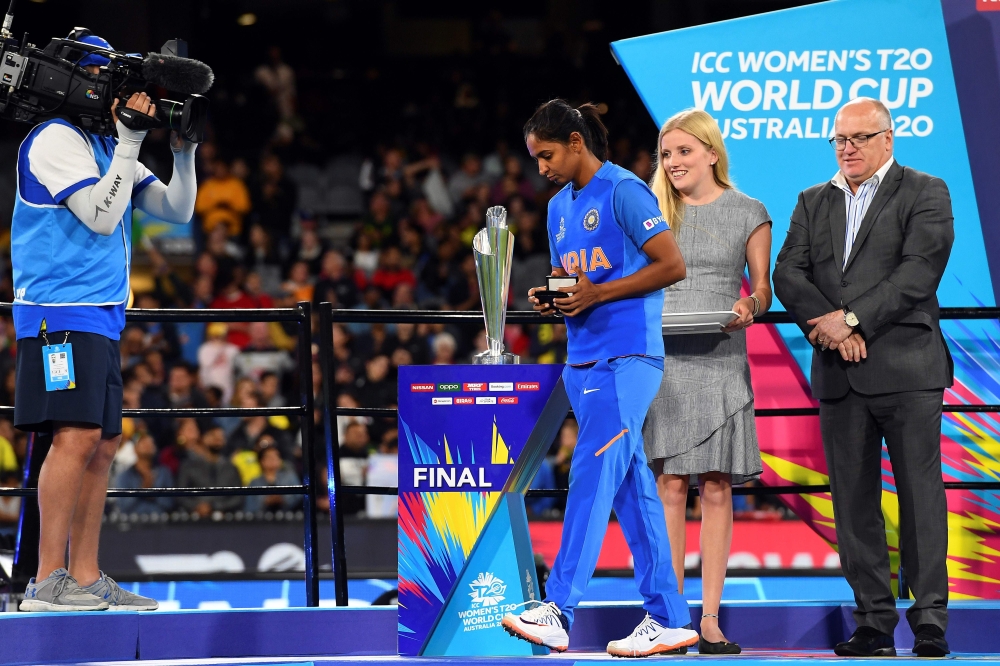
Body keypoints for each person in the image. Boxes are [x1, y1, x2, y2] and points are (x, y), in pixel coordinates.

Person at [502, 99, 695, 657]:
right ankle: (668, 617)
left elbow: (672, 264)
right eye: (535, 158)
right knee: (634, 491)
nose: (540, 167)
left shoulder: (625, 191)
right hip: (581, 360)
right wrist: (556, 295)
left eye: (547, 154)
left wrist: (598, 293)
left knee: (589, 472)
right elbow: (576, 277)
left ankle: (558, 608)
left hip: (629, 360)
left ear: (576, 142)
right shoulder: (559, 206)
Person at [12, 31, 197, 612]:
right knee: (76, 436)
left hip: (101, 317)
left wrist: (184, 150)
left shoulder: (104, 143)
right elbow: (98, 216)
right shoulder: (55, 139)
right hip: (58, 313)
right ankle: (46, 582)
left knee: (103, 442)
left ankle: (85, 576)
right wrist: (128, 144)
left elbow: (177, 210)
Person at [772, 97, 954, 658]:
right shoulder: (811, 200)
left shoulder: (925, 190)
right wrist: (832, 330)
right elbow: (788, 273)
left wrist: (851, 320)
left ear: (887, 140)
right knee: (852, 502)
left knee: (921, 497)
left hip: (906, 368)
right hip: (838, 373)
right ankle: (873, 622)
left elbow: (920, 271)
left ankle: (929, 623)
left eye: (858, 137)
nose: (847, 148)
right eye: (839, 139)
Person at [642, 109, 772, 655]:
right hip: (663, 358)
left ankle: (712, 620)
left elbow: (763, 291)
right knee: (670, 486)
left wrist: (748, 305)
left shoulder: (750, 212)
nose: (672, 163)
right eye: (666, 154)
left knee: (716, 488)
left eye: (683, 152)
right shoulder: (650, 210)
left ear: (711, 153)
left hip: (720, 357)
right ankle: (672, 619)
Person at [113, 434, 174, 515]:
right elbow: (123, 506)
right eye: (143, 442)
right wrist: (141, 490)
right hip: (133, 523)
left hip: (160, 521)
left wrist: (152, 493)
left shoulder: (164, 473)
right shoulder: (124, 476)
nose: (148, 445)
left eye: (151, 442)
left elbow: (170, 503)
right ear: (135, 448)